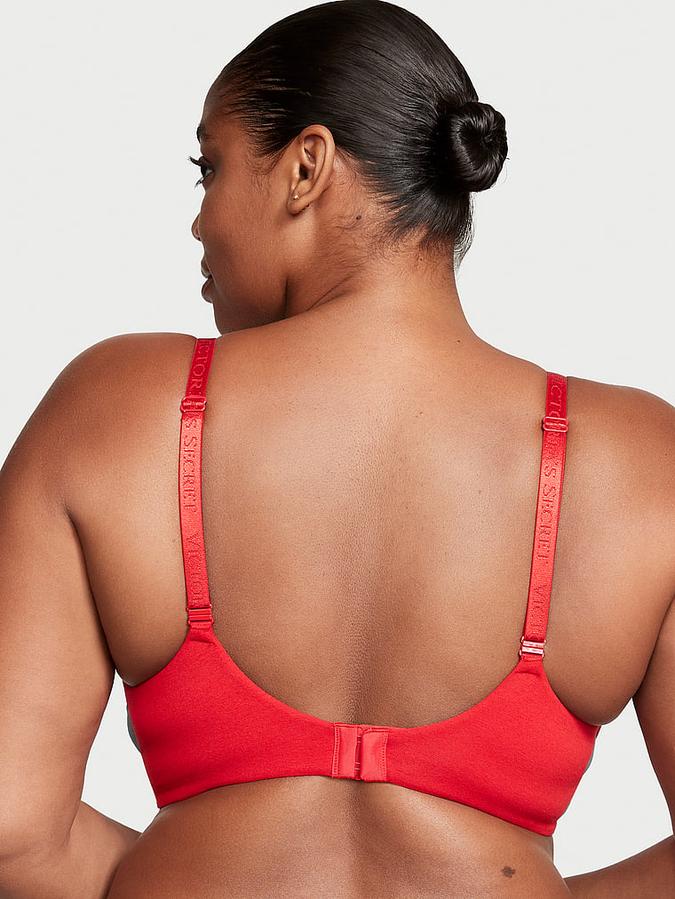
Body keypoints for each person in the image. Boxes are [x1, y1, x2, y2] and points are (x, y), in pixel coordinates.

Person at [1, 1, 673, 897]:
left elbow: (12, 832)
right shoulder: (638, 460)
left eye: (209, 168)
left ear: (306, 167)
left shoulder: (117, 409)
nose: (199, 222)